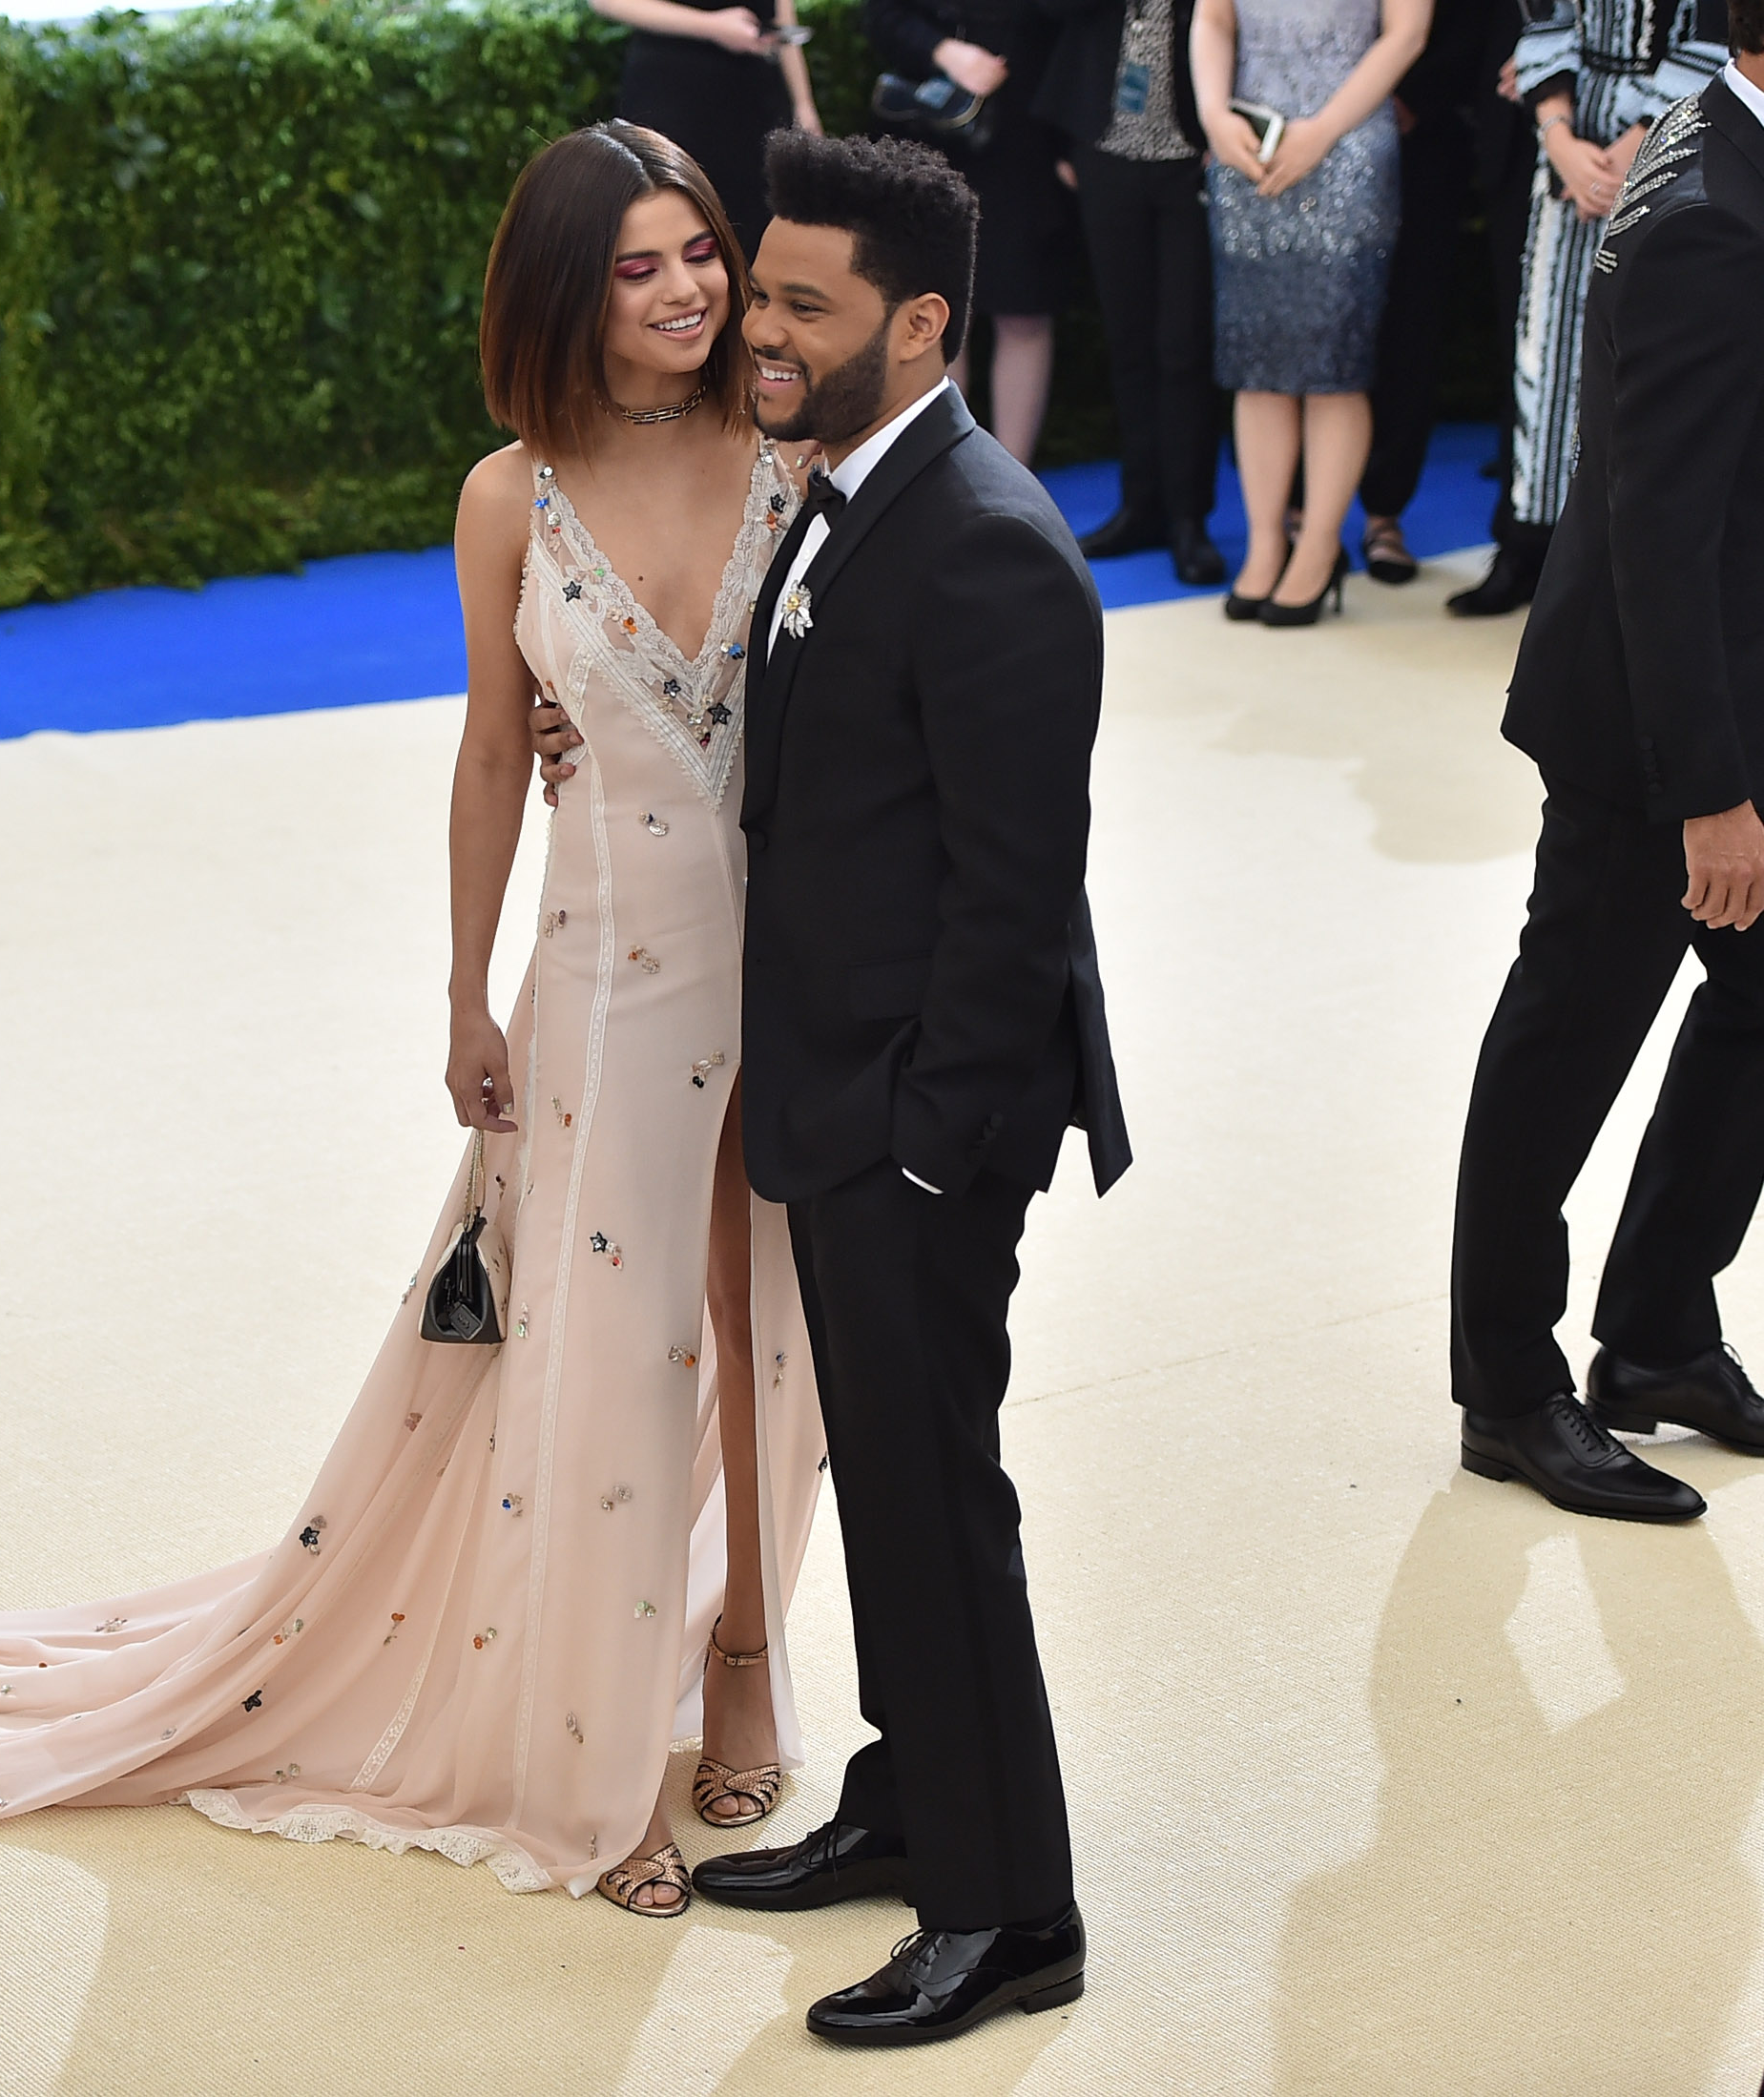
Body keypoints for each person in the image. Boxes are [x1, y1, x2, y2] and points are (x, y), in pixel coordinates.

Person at [0, 122, 835, 1920]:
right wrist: (459, 990)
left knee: (778, 1333)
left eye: (698, 254)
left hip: (806, 961)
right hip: (608, 977)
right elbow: (496, 750)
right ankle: (591, 1767)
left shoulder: (794, 451)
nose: (682, 292)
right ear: (559, 298)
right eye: (634, 267)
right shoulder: (509, 494)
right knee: (611, 1346)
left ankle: (746, 1660)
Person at [678, 129, 1133, 2047]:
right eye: (758, 291)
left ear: (920, 320)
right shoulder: (849, 483)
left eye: (798, 304)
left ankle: (1009, 1908)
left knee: (942, 1497)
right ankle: (909, 1784)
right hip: (847, 1088)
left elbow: (1017, 902)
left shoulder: (991, 546)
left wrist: (930, 1151)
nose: (754, 329)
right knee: (887, 1472)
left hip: (919, 1127)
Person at [1445, 23, 1764, 1523]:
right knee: (1568, 1032)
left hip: (1727, 677)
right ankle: (1508, 1386)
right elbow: (1662, 524)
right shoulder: (1708, 214)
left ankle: (1654, 1332)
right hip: (1653, 717)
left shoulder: (1713, 139)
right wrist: (1709, 785)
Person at [1449, 0, 1730, 616]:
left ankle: (1620, 569)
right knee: (1544, 347)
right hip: (1568, 144)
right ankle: (1528, 546)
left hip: (1683, 146)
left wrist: (1637, 145)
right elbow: (1541, 19)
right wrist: (1560, 139)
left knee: (1643, 357)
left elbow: (1722, 32)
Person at [1193, 0, 1429, 626]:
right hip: (1249, 147)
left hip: (1348, 150)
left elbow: (1406, 36)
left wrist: (1323, 130)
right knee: (1255, 359)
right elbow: (1213, 19)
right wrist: (1214, 116)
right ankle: (1267, 542)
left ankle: (1320, 546)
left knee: (1334, 361)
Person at [1036, 0, 1232, 584]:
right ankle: (1141, 507)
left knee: (1184, 348)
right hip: (1104, 150)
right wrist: (1063, 142)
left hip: (1196, 158)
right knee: (1128, 344)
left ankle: (1188, 520)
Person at [865, 0, 1074, 464]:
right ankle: (945, 475)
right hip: (931, 128)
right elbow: (881, 15)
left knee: (1024, 307)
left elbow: (1072, 28)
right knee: (935, 312)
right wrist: (945, 52)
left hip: (1028, 134)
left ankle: (1014, 481)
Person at [1356, 0, 1503, 583]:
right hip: (1299, 136)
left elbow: (1475, 22)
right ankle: (1294, 515)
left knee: (1410, 329)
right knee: (1298, 331)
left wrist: (1415, 98)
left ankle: (1385, 515)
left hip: (1421, 138)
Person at [594, 0, 825, 252]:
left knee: (760, 230)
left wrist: (803, 103)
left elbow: (783, 19)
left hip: (758, 98)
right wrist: (711, 26)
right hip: (673, 96)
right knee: (677, 220)